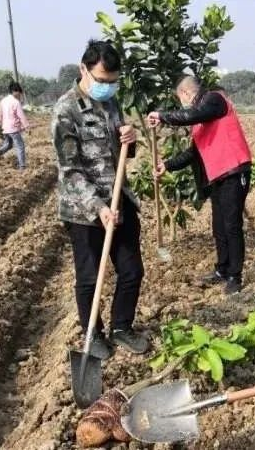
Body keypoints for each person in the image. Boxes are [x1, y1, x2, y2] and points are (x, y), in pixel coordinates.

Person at [51, 40, 148, 357]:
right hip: (83, 210)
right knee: (90, 277)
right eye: (102, 80)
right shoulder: (65, 111)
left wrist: (130, 141)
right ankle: (92, 334)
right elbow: (70, 170)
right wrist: (99, 207)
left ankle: (122, 327)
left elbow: (123, 152)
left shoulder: (112, 104)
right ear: (84, 70)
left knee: (131, 270)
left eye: (112, 82)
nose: (107, 87)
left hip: (120, 197)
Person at [147, 75, 252, 295]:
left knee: (232, 226)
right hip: (218, 177)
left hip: (234, 171)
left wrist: (163, 116)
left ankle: (235, 275)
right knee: (219, 226)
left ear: (185, 94)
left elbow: (191, 114)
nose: (182, 105)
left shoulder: (214, 99)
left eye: (181, 100)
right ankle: (222, 269)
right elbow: (193, 153)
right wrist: (167, 165)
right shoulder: (202, 122)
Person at [0, 82, 29, 169]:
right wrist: (27, 127)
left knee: (8, 144)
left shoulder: (3, 101)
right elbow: (21, 116)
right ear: (14, 91)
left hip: (5, 128)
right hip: (13, 129)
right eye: (19, 93)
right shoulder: (16, 102)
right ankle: (22, 166)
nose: (20, 95)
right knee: (20, 146)